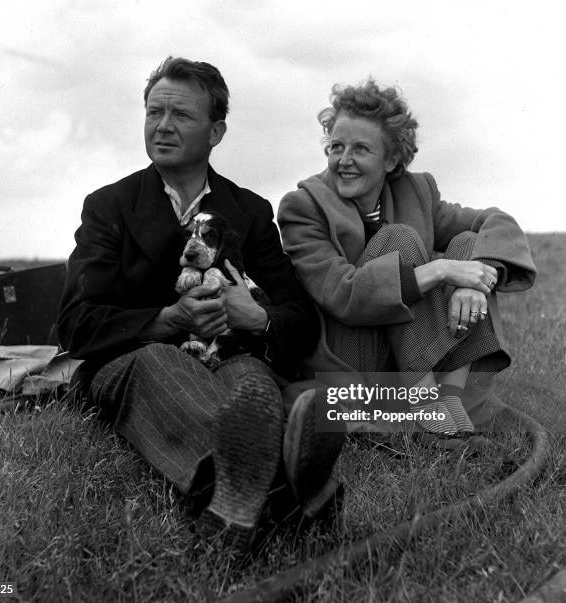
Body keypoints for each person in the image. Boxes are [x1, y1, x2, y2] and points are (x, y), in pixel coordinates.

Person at [57, 56, 345, 550]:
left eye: (181, 116)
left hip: (232, 355)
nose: (162, 127)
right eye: (153, 113)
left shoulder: (250, 213)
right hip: (137, 360)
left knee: (252, 385)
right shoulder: (108, 207)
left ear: (216, 132)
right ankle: (292, 490)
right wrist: (167, 319)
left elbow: (298, 317)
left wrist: (258, 318)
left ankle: (247, 502)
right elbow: (75, 324)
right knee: (159, 364)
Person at [277, 79, 536, 447]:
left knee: (468, 243)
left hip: (418, 358)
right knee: (398, 240)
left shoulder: (416, 191)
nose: (344, 160)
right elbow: (342, 293)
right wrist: (443, 270)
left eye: (361, 149)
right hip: (355, 359)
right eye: (336, 146)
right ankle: (426, 405)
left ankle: (450, 397)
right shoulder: (303, 207)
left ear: (392, 159)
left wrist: (471, 280)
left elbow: (496, 221)